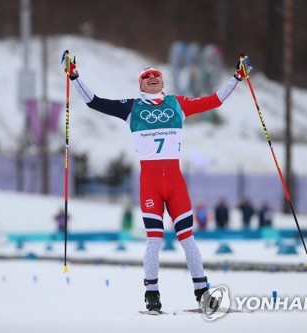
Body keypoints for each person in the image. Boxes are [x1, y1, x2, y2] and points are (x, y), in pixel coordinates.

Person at [63, 50, 252, 312]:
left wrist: (237, 78)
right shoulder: (131, 108)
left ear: (163, 83)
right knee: (154, 239)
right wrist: (74, 76)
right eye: (146, 76)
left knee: (188, 238)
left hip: (175, 183)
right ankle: (152, 295)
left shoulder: (178, 103)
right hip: (150, 183)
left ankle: (202, 292)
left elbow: (214, 101)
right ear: (139, 85)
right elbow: (95, 102)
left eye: (157, 75)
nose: (152, 77)